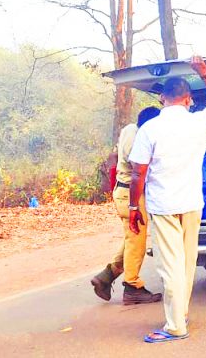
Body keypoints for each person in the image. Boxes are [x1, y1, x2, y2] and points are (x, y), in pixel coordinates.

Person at [128, 56, 206, 343]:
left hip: (164, 206)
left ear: (161, 98)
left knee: (169, 266)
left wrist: (134, 206)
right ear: (188, 99)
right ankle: (180, 313)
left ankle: (175, 327)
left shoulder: (149, 129)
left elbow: (138, 175)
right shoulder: (198, 121)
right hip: (192, 204)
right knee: (185, 263)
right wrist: (205, 75)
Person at [90, 106, 162, 305]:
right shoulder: (139, 140)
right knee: (136, 242)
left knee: (133, 239)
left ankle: (107, 276)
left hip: (125, 191)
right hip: (130, 194)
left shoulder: (130, 129)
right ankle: (132, 287)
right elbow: (141, 168)